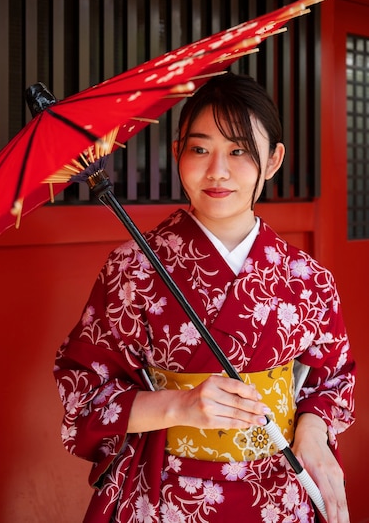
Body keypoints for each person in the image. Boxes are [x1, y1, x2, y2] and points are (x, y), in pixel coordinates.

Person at [54, 72, 355, 523]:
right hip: (165, 494)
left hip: (277, 492)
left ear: (273, 160)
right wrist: (179, 404)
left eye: (238, 151)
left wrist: (311, 432)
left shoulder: (309, 277)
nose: (217, 170)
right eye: (199, 149)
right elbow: (85, 392)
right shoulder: (131, 268)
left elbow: (331, 381)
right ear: (177, 153)